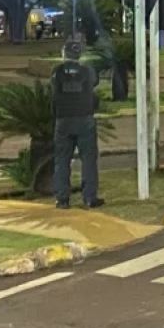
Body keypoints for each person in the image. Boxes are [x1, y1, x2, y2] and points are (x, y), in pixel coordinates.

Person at [51, 39, 104, 209]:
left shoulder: (57, 71)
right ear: (79, 55)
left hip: (63, 119)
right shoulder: (87, 71)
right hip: (84, 118)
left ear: (64, 53)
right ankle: (89, 197)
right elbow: (94, 83)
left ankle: (62, 199)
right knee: (88, 159)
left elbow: (54, 90)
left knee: (62, 159)